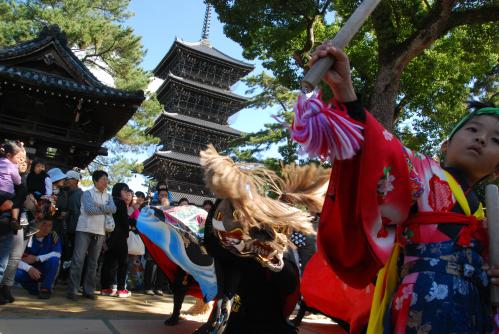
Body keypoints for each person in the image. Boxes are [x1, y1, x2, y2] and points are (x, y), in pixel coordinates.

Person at [304, 43, 499, 333]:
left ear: (496, 169)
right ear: (445, 145)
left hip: (474, 315)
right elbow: (381, 151)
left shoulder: (488, 217)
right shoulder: (422, 171)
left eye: (496, 139)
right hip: (420, 306)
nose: (481, 139)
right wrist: (346, 91)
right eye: (473, 129)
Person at [67, 170, 116, 300]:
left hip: (100, 231)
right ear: (95, 180)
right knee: (78, 260)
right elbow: (89, 210)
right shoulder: (87, 193)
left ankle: (88, 290)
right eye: (104, 179)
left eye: (107, 179)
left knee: (93, 263)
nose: (106, 181)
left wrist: (99, 206)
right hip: (84, 229)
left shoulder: (109, 196)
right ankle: (72, 290)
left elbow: (114, 209)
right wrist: (105, 209)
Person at [15, 199, 61, 299]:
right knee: (15, 272)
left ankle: (46, 288)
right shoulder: (27, 233)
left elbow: (57, 254)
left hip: (43, 268)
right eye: (43, 224)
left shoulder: (53, 236)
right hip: (30, 270)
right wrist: (29, 268)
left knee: (54, 260)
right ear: (37, 223)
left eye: (49, 225)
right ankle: (34, 289)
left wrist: (37, 258)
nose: (46, 228)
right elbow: (14, 258)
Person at [101, 183, 131, 298]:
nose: (127, 193)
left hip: (108, 236)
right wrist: (127, 234)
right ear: (119, 191)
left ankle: (105, 288)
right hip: (120, 237)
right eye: (125, 190)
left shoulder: (109, 201)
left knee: (108, 262)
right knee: (123, 263)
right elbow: (124, 221)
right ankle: (121, 289)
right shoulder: (121, 202)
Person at [59, 170, 83, 282]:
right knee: (65, 253)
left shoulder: (80, 194)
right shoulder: (66, 192)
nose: (66, 181)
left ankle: (69, 278)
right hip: (66, 229)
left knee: (72, 254)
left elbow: (80, 213)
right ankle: (63, 276)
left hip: (75, 230)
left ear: (75, 181)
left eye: (68, 179)